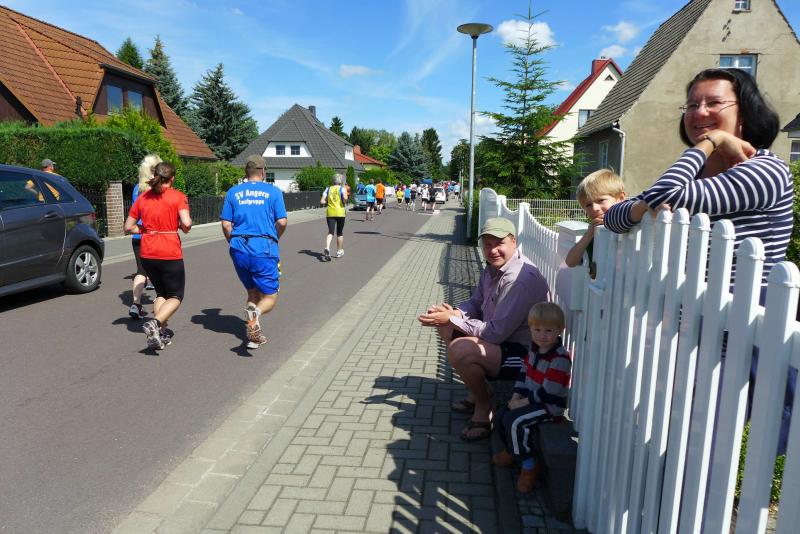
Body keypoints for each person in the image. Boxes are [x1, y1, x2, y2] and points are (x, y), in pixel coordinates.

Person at [603, 67, 794, 455]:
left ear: (745, 112)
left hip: (742, 335)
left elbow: (668, 194)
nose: (699, 112)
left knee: (708, 451)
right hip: (694, 330)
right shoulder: (696, 175)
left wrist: (710, 142)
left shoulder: (766, 169)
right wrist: (644, 205)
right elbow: (614, 217)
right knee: (681, 444)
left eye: (713, 103)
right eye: (691, 105)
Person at [418, 217, 550, 440]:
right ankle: (478, 392)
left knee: (461, 350)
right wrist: (454, 314)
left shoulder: (518, 278)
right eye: (487, 244)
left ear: (513, 241)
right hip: (502, 342)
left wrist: (454, 320)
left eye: (499, 243)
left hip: (527, 356)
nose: (493, 250)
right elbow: (476, 303)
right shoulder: (493, 269)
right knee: (446, 326)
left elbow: (495, 333)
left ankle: (484, 406)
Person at [492, 302, 571, 492]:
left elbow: (548, 393)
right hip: (530, 399)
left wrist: (521, 403)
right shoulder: (534, 349)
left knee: (515, 422)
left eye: (549, 331)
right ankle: (512, 451)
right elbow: (523, 373)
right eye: (537, 330)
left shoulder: (560, 358)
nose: (542, 335)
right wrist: (515, 396)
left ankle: (528, 465)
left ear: (559, 330)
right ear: (531, 329)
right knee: (500, 416)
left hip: (549, 406)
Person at [220, 155, 287, 349]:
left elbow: (226, 224)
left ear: (246, 172)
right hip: (264, 248)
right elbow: (282, 221)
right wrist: (274, 238)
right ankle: (255, 315)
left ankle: (252, 336)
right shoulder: (273, 192)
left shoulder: (233, 192)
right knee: (270, 296)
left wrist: (233, 243)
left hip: (239, 248)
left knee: (252, 291)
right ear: (263, 171)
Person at [124, 162, 192, 350]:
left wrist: (146, 230)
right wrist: (180, 226)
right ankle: (155, 323)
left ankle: (160, 333)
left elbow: (128, 227)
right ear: (172, 178)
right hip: (169, 251)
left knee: (161, 293)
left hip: (147, 252)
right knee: (176, 295)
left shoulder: (143, 198)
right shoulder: (178, 196)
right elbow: (186, 224)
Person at [564, 169, 626, 274]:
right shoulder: (593, 232)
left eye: (601, 200)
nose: (594, 208)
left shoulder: (629, 225)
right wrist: (589, 234)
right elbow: (570, 262)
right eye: (588, 205)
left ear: (620, 198)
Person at [128, 154, 163, 319]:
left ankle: (135, 304)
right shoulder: (157, 189)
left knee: (141, 271)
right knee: (159, 270)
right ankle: (160, 301)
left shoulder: (137, 188)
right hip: (154, 235)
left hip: (137, 235)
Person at [320, 174, 348, 261]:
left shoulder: (328, 189)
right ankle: (339, 251)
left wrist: (328, 201)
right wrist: (344, 199)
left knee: (330, 232)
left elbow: (322, 201)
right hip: (340, 212)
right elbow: (345, 198)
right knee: (339, 233)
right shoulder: (342, 189)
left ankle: (327, 247)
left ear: (333, 181)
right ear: (340, 181)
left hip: (330, 212)